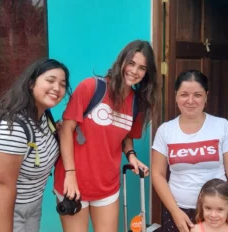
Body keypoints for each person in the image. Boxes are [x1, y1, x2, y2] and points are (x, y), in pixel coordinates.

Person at [54, 40, 159, 232]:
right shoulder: (91, 88)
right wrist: (70, 174)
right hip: (73, 183)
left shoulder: (138, 104)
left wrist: (132, 155)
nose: (135, 71)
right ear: (122, 62)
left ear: (147, 74)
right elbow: (66, 129)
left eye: (142, 68)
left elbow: (126, 136)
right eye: (131, 63)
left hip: (107, 186)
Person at [0, 58, 71, 232]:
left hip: (32, 205)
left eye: (62, 84)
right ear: (31, 84)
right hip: (2, 208)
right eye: (50, 80)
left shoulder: (45, 117)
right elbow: (4, 186)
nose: (57, 88)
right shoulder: (14, 128)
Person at [151, 70, 228, 232]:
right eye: (184, 94)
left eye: (198, 95)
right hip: (179, 210)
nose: (190, 101)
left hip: (217, 212)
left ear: (206, 96)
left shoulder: (222, 127)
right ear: (176, 96)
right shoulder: (165, 131)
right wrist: (174, 211)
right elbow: (157, 174)